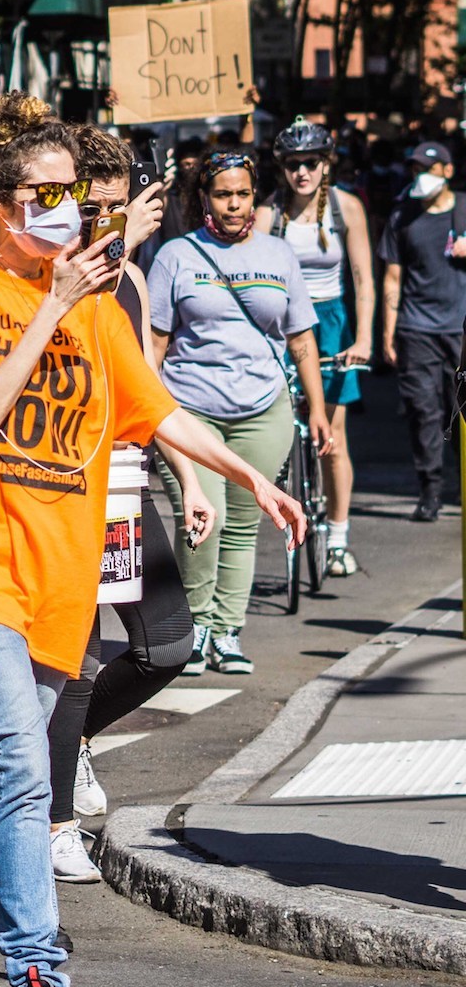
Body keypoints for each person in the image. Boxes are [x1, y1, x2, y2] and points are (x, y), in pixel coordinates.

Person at [0, 96, 301, 987]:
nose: (66, 209)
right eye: (46, 193)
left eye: (72, 194)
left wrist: (248, 477)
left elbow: (154, 411)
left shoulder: (98, 302)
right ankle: (37, 977)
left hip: (62, 581)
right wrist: (56, 309)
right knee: (28, 774)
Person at [41, 128, 209, 886]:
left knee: (166, 644)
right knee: (74, 661)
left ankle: (67, 740)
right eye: (89, 207)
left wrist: (194, 478)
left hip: (126, 484)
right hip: (61, 487)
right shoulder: (49, 278)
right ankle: (53, 822)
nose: (102, 221)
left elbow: (148, 397)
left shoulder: (131, 282)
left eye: (115, 207)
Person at [149, 152, 327, 674]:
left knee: (246, 522)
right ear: (204, 198)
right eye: (223, 193)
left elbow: (301, 339)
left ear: (255, 196)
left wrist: (316, 408)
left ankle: (227, 632)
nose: (233, 204)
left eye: (243, 193)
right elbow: (153, 347)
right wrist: (147, 414)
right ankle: (196, 624)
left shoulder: (279, 254)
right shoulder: (176, 255)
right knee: (205, 514)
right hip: (191, 409)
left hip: (262, 410)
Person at [262, 122, 374, 570]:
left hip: (331, 323)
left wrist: (364, 337)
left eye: (311, 163)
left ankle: (340, 537)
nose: (302, 172)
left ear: (326, 164)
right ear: (282, 169)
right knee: (285, 434)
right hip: (284, 323)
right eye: (293, 164)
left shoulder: (346, 208)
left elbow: (364, 278)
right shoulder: (270, 214)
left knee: (335, 437)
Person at [379, 140, 466, 523]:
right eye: (415, 170)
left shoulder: (465, 209)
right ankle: (430, 490)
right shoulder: (402, 217)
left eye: (428, 169)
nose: (421, 178)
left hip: (461, 331)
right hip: (416, 330)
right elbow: (392, 278)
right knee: (423, 412)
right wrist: (387, 333)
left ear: (447, 171)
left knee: (461, 410)